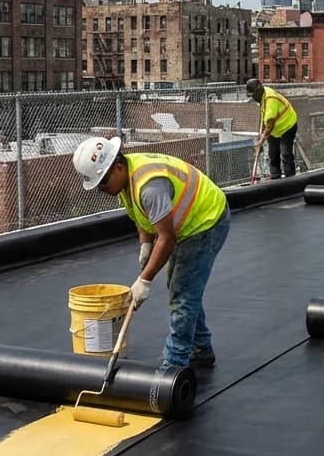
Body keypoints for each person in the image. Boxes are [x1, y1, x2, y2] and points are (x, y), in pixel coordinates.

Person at [71, 136, 231, 370]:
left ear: (118, 167)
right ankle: (201, 347)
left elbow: (166, 238)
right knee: (181, 286)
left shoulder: (150, 187)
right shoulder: (126, 179)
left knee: (183, 292)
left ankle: (175, 363)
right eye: (98, 187)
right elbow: (141, 215)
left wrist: (144, 280)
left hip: (206, 221)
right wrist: (145, 244)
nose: (102, 189)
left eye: (103, 182)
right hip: (186, 223)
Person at [246, 78, 299, 179]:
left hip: (287, 125)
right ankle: (275, 177)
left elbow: (269, 125)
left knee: (285, 153)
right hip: (275, 129)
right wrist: (259, 138)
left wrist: (261, 141)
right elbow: (264, 120)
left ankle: (291, 179)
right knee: (273, 154)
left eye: (253, 95)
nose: (253, 98)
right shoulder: (262, 97)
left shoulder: (270, 99)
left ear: (258, 90)